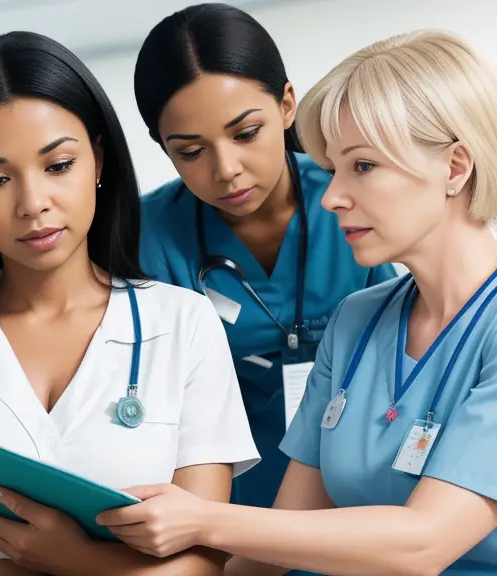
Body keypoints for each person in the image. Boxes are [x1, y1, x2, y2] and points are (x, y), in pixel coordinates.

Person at [0, 30, 260, 576]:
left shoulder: (183, 323)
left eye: (58, 166)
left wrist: (72, 560)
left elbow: (204, 560)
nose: (33, 204)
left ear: (99, 160)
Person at [96, 29, 497, 575]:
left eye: (362, 166)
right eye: (331, 169)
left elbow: (423, 544)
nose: (330, 196)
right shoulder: (358, 321)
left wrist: (201, 520)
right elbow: (271, 555)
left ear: (454, 167)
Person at [133, 2, 398, 510]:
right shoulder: (146, 239)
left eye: (246, 133)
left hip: (361, 493)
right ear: (162, 146)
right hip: (224, 506)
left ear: (286, 105)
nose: (226, 169)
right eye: (191, 151)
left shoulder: (354, 200)